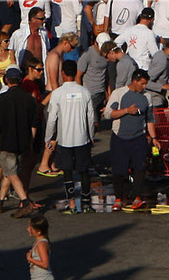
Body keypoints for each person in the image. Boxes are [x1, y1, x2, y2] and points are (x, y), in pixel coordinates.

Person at [43, 61, 97, 213]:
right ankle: (86, 202)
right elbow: (91, 117)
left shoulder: (58, 93)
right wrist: (91, 135)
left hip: (65, 140)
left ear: (63, 73)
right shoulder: (84, 91)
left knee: (67, 172)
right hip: (83, 138)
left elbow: (52, 118)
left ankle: (72, 204)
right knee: (84, 171)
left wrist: (48, 138)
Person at [105, 69, 157, 212]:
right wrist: (126, 111)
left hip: (138, 137)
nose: (144, 87)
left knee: (140, 168)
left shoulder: (147, 96)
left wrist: (153, 137)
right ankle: (119, 198)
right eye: (142, 83)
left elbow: (150, 118)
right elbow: (108, 114)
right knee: (119, 170)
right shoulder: (118, 93)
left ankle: (137, 197)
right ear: (134, 81)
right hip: (120, 137)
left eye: (146, 84)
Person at [0, 66, 40, 216]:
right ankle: (0, 202)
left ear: (6, 80)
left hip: (7, 141)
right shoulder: (29, 99)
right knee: (9, 171)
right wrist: (30, 142)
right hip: (23, 141)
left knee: (11, 172)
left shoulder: (3, 98)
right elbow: (33, 124)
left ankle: (25, 201)